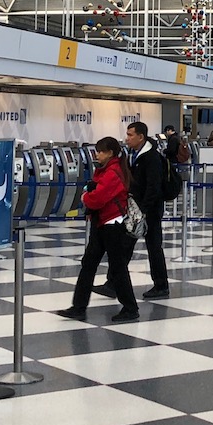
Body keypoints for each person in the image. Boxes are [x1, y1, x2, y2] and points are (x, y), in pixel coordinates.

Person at [58, 137, 139, 323]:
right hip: (101, 222)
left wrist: (86, 196)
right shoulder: (105, 170)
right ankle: (78, 306)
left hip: (112, 224)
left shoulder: (114, 172)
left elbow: (98, 198)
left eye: (101, 151)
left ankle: (130, 308)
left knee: (117, 267)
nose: (97, 154)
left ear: (110, 153)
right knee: (88, 264)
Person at [124, 121, 170, 300]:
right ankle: (113, 281)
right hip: (136, 208)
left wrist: (144, 209)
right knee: (126, 244)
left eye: (130, 135)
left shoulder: (151, 157)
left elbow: (153, 186)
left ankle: (161, 285)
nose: (127, 138)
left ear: (141, 137)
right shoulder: (134, 154)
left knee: (153, 246)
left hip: (149, 210)